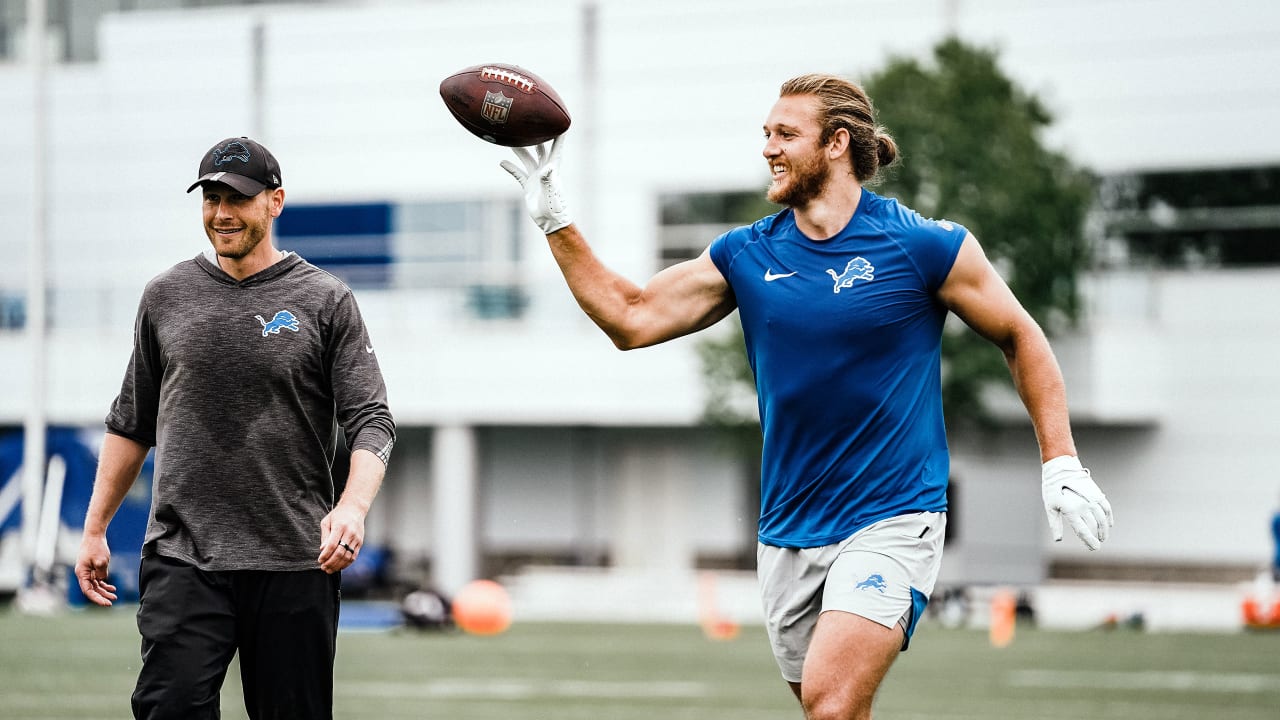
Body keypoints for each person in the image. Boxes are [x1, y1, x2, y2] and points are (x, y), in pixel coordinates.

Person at [501, 75, 1113, 719]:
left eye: (785, 134)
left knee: (830, 702)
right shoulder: (746, 253)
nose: (768, 148)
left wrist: (1061, 460)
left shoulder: (925, 246)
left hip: (894, 516)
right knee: (833, 713)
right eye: (765, 134)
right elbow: (631, 317)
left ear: (837, 144)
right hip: (788, 529)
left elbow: (1021, 336)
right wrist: (555, 218)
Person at [73, 136, 396, 719]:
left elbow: (371, 421)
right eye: (211, 198)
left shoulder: (326, 300)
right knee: (167, 709)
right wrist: (95, 528)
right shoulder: (165, 297)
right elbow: (130, 422)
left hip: (297, 561)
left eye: (238, 199)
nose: (221, 213)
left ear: (275, 202)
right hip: (183, 555)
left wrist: (351, 507)